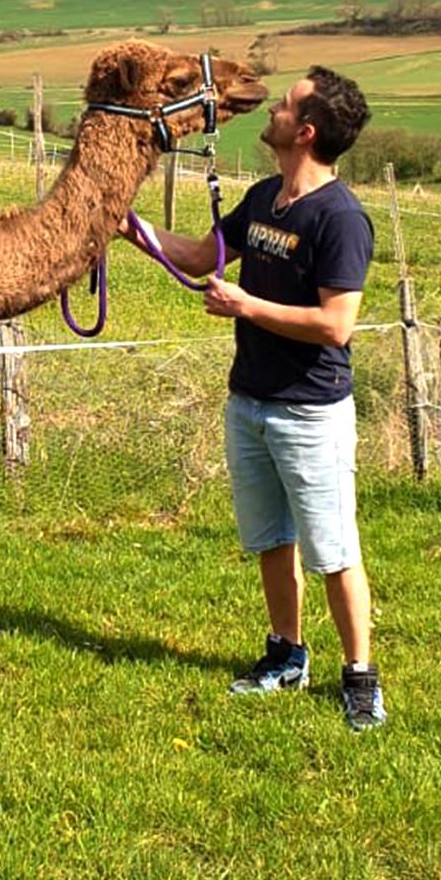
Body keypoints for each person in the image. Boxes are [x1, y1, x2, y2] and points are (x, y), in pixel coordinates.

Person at [124, 66, 385, 730]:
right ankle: (286, 655)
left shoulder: (340, 218)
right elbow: (199, 254)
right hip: (249, 402)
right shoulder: (267, 196)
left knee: (331, 551)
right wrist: (130, 229)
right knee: (272, 540)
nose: (269, 107)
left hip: (309, 409)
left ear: (304, 131)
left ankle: (358, 676)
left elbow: (336, 325)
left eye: (284, 104)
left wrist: (246, 303)